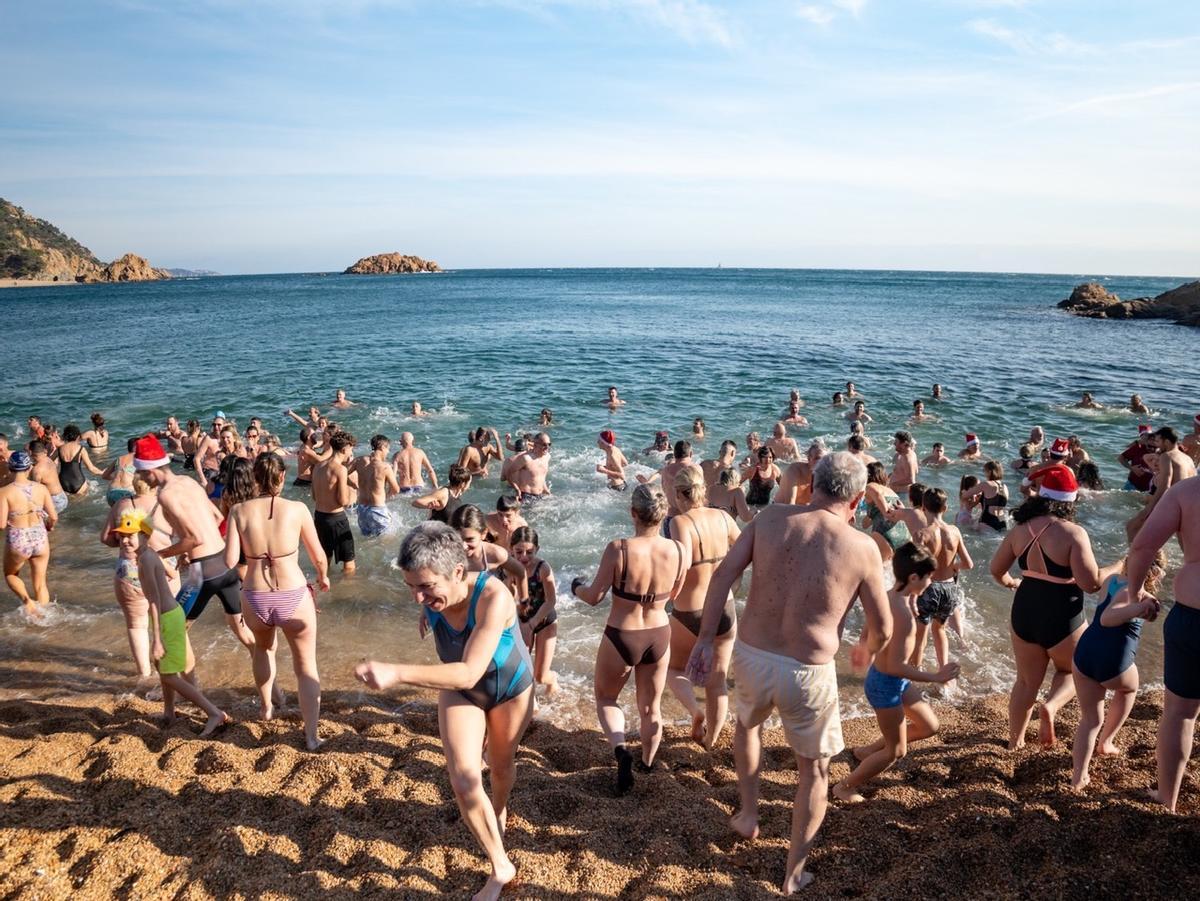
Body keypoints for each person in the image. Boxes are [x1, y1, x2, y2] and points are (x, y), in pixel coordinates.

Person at [685, 452, 890, 895]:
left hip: (752, 655)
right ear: (857, 499)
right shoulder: (862, 547)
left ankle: (748, 814)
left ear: (812, 484)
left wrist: (704, 639)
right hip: (808, 672)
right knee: (813, 772)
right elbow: (884, 627)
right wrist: (865, 650)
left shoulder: (771, 518)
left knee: (747, 725)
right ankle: (793, 873)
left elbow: (722, 576)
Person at [356, 522, 533, 900]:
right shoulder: (435, 595)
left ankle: (499, 809)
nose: (417, 597)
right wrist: (428, 611)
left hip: (508, 689)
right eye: (410, 587)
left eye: (425, 587)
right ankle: (501, 866)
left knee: (500, 767)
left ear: (457, 571)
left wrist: (396, 672)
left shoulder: (493, 597)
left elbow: (470, 670)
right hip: (460, 690)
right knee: (464, 780)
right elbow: (461, 677)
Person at [572, 484, 687, 792]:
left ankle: (621, 750)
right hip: (659, 633)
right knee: (651, 708)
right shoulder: (679, 550)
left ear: (633, 513)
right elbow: (675, 595)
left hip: (622, 634)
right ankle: (647, 762)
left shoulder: (618, 548)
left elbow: (594, 597)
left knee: (606, 698)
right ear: (662, 514)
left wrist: (576, 587)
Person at [833, 542, 958, 803]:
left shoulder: (889, 597)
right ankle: (844, 787)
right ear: (913, 578)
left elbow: (868, 630)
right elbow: (895, 666)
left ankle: (866, 751)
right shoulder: (903, 615)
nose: (931, 582)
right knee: (896, 751)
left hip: (892, 681)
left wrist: (863, 648)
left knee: (929, 726)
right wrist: (937, 676)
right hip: (886, 685)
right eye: (928, 577)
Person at [990, 466, 1101, 750]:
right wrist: (1118, 567)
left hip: (1025, 610)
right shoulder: (1073, 533)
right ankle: (1050, 707)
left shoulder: (1020, 529)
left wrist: (1011, 583)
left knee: (1026, 683)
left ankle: (1015, 743)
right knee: (1073, 671)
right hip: (1063, 613)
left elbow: (996, 570)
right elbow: (1091, 584)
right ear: (1070, 500)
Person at [225, 454, 329, 750]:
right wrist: (323, 577)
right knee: (305, 665)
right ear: (282, 476)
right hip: (293, 594)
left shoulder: (238, 510)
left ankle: (267, 707)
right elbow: (319, 556)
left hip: (255, 596)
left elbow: (230, 560)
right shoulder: (298, 509)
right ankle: (311, 736)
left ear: (255, 478)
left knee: (263, 648)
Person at [1117, 475, 1200, 813]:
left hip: (1193, 615)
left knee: (1180, 713)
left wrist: (1135, 592)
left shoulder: (1188, 491)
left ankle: (1168, 798)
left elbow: (1143, 547)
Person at [135, 436, 258, 659]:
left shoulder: (166, 494)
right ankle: (270, 676)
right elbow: (217, 516)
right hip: (226, 565)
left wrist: (159, 554)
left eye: (141, 473)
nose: (140, 478)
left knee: (172, 630)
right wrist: (186, 550)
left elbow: (194, 539)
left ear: (151, 471)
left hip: (203, 573)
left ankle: (181, 679)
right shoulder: (188, 481)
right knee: (242, 631)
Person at [115, 510, 229, 735]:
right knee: (163, 668)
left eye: (131, 535)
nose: (125, 541)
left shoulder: (145, 560)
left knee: (168, 674)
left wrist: (157, 639)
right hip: (171, 614)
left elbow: (154, 601)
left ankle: (214, 712)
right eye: (122, 536)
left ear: (145, 535)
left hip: (166, 616)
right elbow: (171, 574)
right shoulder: (150, 555)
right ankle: (169, 712)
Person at [1070, 551, 1165, 791]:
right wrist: (1138, 608)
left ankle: (1078, 777)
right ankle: (1107, 742)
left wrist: (1143, 609)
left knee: (1090, 720)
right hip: (1113, 663)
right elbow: (1108, 618)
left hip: (1085, 654)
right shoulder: (1136, 593)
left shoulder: (1112, 581)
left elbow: (1109, 609)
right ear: (1156, 573)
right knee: (1130, 688)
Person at [667, 468, 740, 749]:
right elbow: (745, 548)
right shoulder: (723, 517)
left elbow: (683, 564)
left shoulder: (680, 522)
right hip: (725, 607)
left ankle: (695, 712)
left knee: (673, 668)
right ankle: (711, 741)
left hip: (691, 611)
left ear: (678, 494)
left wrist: (667, 593)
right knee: (717, 681)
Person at [100, 471, 176, 686]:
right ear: (155, 484)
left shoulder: (122, 504)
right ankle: (172, 672)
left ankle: (145, 676)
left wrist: (123, 541)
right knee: (167, 620)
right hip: (164, 565)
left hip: (130, 568)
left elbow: (105, 538)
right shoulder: (166, 503)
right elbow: (182, 534)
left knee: (136, 625)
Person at [909, 488, 973, 675]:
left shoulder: (921, 534)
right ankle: (944, 675)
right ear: (945, 508)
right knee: (940, 630)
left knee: (920, 635)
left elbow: (916, 569)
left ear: (923, 508)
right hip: (950, 588)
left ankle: (916, 673)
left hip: (929, 588)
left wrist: (912, 596)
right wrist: (953, 567)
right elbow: (968, 564)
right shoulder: (954, 531)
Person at [0, 451, 57, 618]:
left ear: (10, 468)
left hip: (18, 538)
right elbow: (54, 516)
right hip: (39, 536)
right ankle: (45, 619)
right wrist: (50, 526)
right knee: (40, 583)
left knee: (10, 574)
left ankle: (27, 601)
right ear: (29, 468)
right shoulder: (41, 488)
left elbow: (2, 525)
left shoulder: (4, 491)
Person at [510, 526, 558, 695]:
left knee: (540, 676)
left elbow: (551, 600)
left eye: (529, 552)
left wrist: (531, 624)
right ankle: (530, 703)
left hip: (544, 619)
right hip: (521, 620)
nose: (524, 557)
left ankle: (553, 679)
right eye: (519, 552)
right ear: (511, 549)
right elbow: (506, 598)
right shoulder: (508, 568)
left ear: (537, 549)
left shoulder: (543, 569)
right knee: (521, 671)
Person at [1126, 427, 1196, 541]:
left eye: (1158, 441)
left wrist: (1148, 509)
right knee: (1184, 542)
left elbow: (1165, 486)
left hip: (1172, 505)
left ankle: (1136, 553)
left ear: (1166, 442)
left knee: (1132, 528)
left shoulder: (1167, 456)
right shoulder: (1188, 459)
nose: (1156, 445)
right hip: (1187, 507)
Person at [450, 505, 530, 601]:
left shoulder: (495, 554)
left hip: (491, 605)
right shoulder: (447, 555)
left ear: (483, 534)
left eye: (470, 539)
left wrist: (523, 601)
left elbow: (520, 571)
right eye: (458, 539)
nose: (464, 546)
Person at [312, 430, 357, 574]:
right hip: (337, 520)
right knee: (349, 564)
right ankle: (344, 588)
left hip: (319, 517)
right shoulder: (340, 469)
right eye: (351, 449)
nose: (351, 453)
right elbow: (343, 501)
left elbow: (314, 496)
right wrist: (353, 491)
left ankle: (323, 582)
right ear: (344, 449)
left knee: (324, 559)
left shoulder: (318, 466)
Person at [637, 440, 702, 518]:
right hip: (694, 516)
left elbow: (664, 490)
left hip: (671, 516)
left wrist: (648, 482)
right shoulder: (698, 469)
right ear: (691, 453)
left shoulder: (666, 470)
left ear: (674, 454)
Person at [353, 434, 400, 538]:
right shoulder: (385, 467)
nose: (388, 452)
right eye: (388, 449)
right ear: (382, 447)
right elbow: (396, 489)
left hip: (362, 509)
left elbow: (342, 473)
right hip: (377, 509)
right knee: (386, 540)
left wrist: (352, 484)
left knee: (366, 539)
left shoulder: (359, 460)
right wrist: (386, 497)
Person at [863, 462, 910, 562]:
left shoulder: (870, 486)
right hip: (904, 535)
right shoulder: (891, 492)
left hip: (884, 534)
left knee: (875, 568)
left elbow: (878, 494)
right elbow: (902, 511)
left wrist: (885, 513)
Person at [56, 425, 104, 497]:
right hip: (78, 482)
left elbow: (52, 463)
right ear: (78, 436)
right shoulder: (81, 449)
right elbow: (91, 468)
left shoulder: (60, 449)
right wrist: (103, 472)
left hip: (63, 482)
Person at [775, 441, 827, 506]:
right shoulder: (794, 470)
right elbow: (789, 503)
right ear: (809, 459)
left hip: (802, 509)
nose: (820, 462)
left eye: (824, 459)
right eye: (817, 458)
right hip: (780, 508)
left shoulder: (825, 476)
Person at [963, 460, 1008, 532]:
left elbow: (965, 495)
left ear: (990, 472)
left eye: (984, 470)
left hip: (988, 521)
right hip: (1002, 522)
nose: (984, 473)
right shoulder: (1005, 487)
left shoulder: (986, 484)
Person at [506, 432, 552, 500]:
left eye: (549, 444)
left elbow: (541, 477)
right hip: (526, 496)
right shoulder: (526, 458)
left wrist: (546, 490)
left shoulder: (547, 457)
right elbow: (509, 473)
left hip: (541, 495)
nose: (547, 447)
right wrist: (517, 489)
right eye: (544, 444)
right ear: (535, 445)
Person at [28, 441, 68, 514]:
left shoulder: (37, 470)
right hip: (62, 496)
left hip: (54, 500)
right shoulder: (48, 460)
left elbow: (35, 491)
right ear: (44, 451)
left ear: (30, 452)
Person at [1117, 425, 1157, 493]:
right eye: (1149, 446)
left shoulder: (1162, 452)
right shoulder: (1138, 448)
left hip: (1150, 487)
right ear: (1146, 442)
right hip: (1132, 484)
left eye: (1155, 447)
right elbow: (1120, 458)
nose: (1152, 449)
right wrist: (1131, 468)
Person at [741, 446, 780, 511]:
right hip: (750, 506)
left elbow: (783, 487)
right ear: (760, 457)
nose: (768, 460)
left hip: (765, 507)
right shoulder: (753, 469)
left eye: (770, 457)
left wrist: (777, 501)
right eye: (765, 457)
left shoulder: (775, 470)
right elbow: (738, 483)